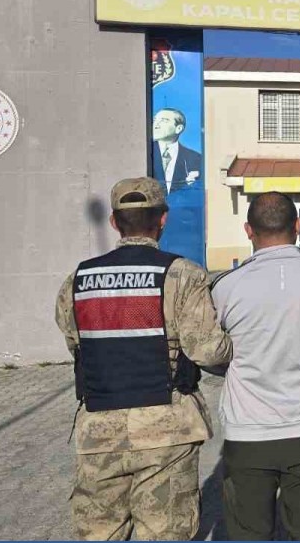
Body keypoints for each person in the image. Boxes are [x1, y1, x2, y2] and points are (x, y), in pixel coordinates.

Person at [54, 177, 232, 540]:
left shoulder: (77, 279)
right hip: (166, 429)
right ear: (162, 219)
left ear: (114, 222)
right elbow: (206, 350)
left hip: (99, 429)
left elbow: (75, 342)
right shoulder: (183, 275)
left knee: (99, 533)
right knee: (166, 532)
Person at [210, 191, 300, 540]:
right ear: (298, 225)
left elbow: (211, 351)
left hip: (247, 430)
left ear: (248, 230)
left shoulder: (226, 287)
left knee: (249, 533)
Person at [151, 108, 202, 194]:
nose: (156, 125)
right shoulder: (145, 153)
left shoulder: (196, 159)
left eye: (164, 121)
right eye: (154, 120)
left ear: (178, 128)